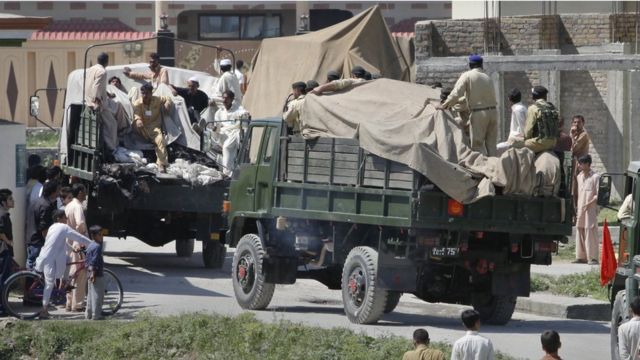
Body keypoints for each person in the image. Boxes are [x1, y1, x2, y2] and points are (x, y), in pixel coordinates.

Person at [34, 210, 93, 319]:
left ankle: (64, 282)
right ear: (58, 219)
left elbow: (61, 242)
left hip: (50, 256)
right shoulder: (63, 227)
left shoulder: (53, 227)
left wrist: (73, 249)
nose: (66, 219)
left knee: (68, 259)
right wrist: (92, 244)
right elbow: (78, 237)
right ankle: (44, 310)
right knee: (49, 284)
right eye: (64, 217)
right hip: (49, 258)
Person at [438, 55, 498, 156]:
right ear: (481, 65)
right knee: (491, 146)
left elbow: (456, 93)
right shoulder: (487, 77)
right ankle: (495, 169)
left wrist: (444, 105)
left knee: (478, 146)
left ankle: (481, 170)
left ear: (470, 65)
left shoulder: (467, 75)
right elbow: (472, 97)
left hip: (479, 114)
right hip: (493, 113)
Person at [86, 53, 129, 153]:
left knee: (118, 105)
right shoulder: (102, 71)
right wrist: (96, 102)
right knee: (112, 124)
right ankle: (111, 148)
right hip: (97, 103)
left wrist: (108, 95)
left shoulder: (92, 69)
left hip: (94, 99)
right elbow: (96, 86)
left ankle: (122, 130)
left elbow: (96, 85)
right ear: (107, 61)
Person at [132, 82, 173, 172]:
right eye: (143, 93)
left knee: (160, 139)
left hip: (154, 128)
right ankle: (150, 139)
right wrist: (138, 119)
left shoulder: (157, 100)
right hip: (142, 127)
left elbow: (167, 98)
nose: (145, 95)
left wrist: (167, 103)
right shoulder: (138, 103)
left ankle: (161, 164)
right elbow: (136, 113)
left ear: (151, 93)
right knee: (137, 124)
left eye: (147, 93)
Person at [213, 90, 250, 176]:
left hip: (234, 133)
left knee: (227, 147)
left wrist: (244, 115)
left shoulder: (237, 108)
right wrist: (215, 129)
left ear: (232, 99)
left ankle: (228, 174)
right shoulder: (219, 112)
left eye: (227, 98)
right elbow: (217, 126)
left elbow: (244, 113)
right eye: (223, 98)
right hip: (223, 134)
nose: (224, 100)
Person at [65, 183, 89, 312]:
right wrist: (83, 240)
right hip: (78, 244)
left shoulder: (68, 206)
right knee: (80, 274)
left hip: (69, 243)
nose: (86, 194)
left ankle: (69, 302)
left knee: (72, 274)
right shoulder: (78, 206)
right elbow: (80, 225)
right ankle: (78, 304)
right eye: (84, 191)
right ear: (80, 192)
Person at [573, 154, 600, 265]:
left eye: (581, 163)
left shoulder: (595, 177)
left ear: (588, 164)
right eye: (579, 163)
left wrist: (588, 203)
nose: (579, 165)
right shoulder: (579, 176)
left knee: (590, 230)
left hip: (590, 209)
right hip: (580, 208)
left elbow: (598, 195)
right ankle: (581, 257)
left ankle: (592, 257)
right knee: (580, 230)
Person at [28, 180, 59, 270]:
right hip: (39, 242)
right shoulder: (46, 205)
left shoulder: (35, 201)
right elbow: (44, 228)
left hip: (31, 239)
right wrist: (49, 243)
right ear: (52, 192)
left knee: (30, 265)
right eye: (57, 190)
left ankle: (29, 284)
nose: (58, 193)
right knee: (37, 268)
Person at [523, 86, 558, 154]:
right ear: (545, 97)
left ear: (534, 96)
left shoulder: (533, 108)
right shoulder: (553, 107)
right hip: (553, 142)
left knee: (516, 146)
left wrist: (526, 139)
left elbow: (528, 130)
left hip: (540, 142)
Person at [570, 115, 591, 212]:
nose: (576, 124)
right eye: (574, 122)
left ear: (583, 123)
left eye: (579, 122)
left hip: (581, 166)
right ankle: (575, 210)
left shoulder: (583, 135)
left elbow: (573, 149)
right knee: (574, 189)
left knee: (578, 189)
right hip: (575, 164)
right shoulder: (575, 134)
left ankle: (579, 210)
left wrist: (571, 135)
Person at [497, 88, 527, 153]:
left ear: (510, 99)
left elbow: (522, 125)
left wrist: (522, 137)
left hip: (517, 139)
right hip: (516, 138)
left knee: (497, 149)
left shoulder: (518, 109)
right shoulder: (521, 107)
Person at [85, 225, 105, 320]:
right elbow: (94, 260)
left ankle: (88, 314)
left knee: (90, 295)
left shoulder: (90, 245)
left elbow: (88, 259)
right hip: (96, 273)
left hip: (89, 271)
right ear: (94, 236)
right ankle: (96, 315)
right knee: (98, 294)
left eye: (102, 234)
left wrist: (90, 271)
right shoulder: (97, 246)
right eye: (100, 235)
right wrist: (93, 272)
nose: (102, 236)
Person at [0, 189, 14, 315]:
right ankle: (1, 307)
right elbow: (1, 231)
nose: (12, 201)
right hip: (4, 251)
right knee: (3, 278)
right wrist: (8, 242)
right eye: (10, 199)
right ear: (4, 202)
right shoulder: (3, 215)